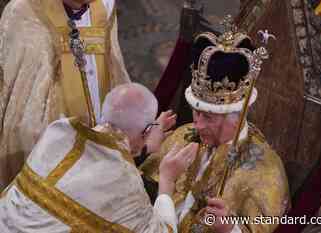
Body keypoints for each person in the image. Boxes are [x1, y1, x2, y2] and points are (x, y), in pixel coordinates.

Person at [141, 18, 290, 233]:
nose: (197, 125)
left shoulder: (266, 171)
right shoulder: (184, 135)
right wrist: (146, 149)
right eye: (196, 112)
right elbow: (140, 191)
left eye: (209, 117)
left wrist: (231, 229)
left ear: (237, 117)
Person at [0, 83, 198, 233]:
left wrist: (143, 145)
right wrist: (166, 181)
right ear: (147, 131)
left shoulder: (58, 132)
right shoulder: (124, 182)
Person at [0, 0, 130, 190]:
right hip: (46, 132)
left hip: (98, 124)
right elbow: (17, 83)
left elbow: (113, 67)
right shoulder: (24, 10)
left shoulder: (104, 6)